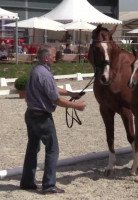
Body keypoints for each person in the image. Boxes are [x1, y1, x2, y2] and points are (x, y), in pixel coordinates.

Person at [20, 45, 86, 194]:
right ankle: (49, 185)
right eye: (53, 55)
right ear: (45, 57)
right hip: (42, 117)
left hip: (31, 114)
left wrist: (71, 92)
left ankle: (27, 182)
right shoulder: (45, 74)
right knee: (52, 149)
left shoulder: (36, 70)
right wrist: (76, 106)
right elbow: (56, 99)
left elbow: (53, 89)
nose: (56, 57)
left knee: (32, 148)